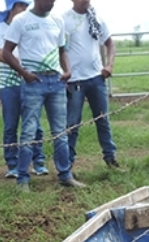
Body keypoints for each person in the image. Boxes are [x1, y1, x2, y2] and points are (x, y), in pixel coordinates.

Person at [3, 0, 85, 191]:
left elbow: (61, 50)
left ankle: (65, 175)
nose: (52, 3)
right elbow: (7, 52)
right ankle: (22, 178)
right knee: (29, 131)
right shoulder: (21, 20)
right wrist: (23, 73)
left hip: (56, 82)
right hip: (33, 82)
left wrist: (67, 70)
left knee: (60, 132)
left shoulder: (57, 19)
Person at [0, 0, 50, 179]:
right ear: (11, 9)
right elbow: (0, 55)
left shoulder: (27, 26)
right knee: (11, 125)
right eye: (20, 6)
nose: (24, 9)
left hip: (29, 83)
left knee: (34, 125)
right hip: (9, 85)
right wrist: (22, 65)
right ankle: (12, 164)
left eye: (26, 6)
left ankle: (38, 161)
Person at [62, 0, 120, 170]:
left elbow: (109, 43)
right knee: (72, 123)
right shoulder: (64, 20)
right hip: (74, 79)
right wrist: (64, 74)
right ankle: (68, 164)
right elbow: (60, 49)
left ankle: (110, 158)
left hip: (96, 77)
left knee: (103, 119)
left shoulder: (96, 19)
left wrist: (109, 65)